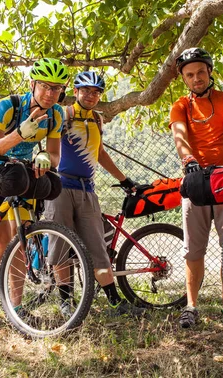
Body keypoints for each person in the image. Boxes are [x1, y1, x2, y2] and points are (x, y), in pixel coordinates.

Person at [44, 71, 145, 317]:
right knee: (60, 246)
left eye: (96, 92)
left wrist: (124, 179)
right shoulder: (63, 114)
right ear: (76, 92)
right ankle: (66, 301)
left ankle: (114, 301)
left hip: (87, 189)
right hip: (61, 187)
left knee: (98, 247)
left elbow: (99, 153)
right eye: (86, 90)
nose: (91, 95)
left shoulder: (97, 120)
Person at [0, 58, 68, 327]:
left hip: (26, 174)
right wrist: (20, 133)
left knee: (22, 241)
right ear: (32, 85)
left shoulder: (56, 114)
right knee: (1, 241)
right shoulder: (8, 106)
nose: (51, 94)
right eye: (45, 87)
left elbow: (55, 155)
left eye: (57, 89)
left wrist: (44, 158)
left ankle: (16, 308)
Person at [169, 48, 223, 328]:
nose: (196, 78)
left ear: (210, 72)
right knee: (194, 250)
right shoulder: (180, 105)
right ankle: (191, 305)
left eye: (201, 71)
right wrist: (188, 159)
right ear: (184, 79)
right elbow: (180, 136)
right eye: (190, 75)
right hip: (197, 179)